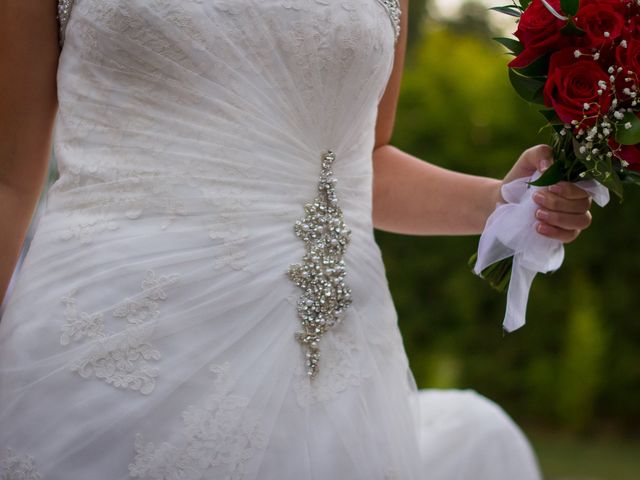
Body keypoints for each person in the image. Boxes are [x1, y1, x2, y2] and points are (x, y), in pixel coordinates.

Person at [0, 1, 593, 479]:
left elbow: (363, 165)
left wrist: (504, 203)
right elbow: (7, 180)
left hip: (321, 347)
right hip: (107, 338)